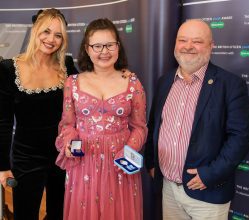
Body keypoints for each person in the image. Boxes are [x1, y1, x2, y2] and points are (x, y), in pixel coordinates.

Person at [144, 19, 249, 220]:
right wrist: (151, 163)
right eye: (182, 40)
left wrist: (211, 174)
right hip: (168, 188)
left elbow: (241, 137)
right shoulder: (165, 81)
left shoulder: (230, 85)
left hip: (207, 193)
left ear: (211, 46)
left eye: (197, 41)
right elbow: (154, 126)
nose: (188, 46)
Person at [55, 18, 147, 220]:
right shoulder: (73, 82)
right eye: (97, 46)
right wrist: (70, 142)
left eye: (109, 45)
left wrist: (129, 149)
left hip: (120, 166)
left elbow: (140, 127)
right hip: (84, 164)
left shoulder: (132, 82)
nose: (104, 51)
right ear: (87, 49)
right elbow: (68, 124)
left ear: (118, 47)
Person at [0, 8, 78, 220]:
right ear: (35, 31)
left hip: (62, 156)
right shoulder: (8, 69)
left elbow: (87, 95)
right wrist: (2, 166)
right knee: (25, 215)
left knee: (59, 214)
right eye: (46, 31)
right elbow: (3, 122)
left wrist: (118, 75)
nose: (51, 39)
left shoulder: (67, 66)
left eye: (58, 35)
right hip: (26, 158)